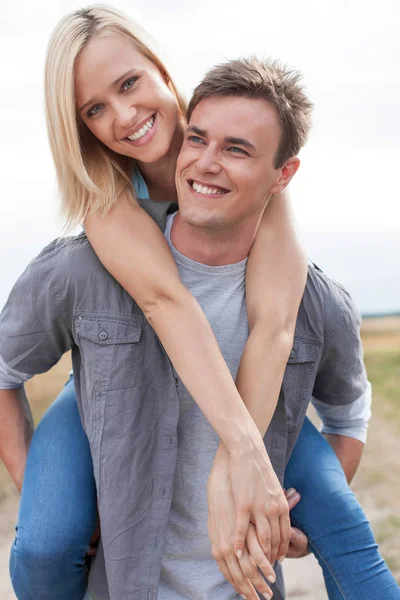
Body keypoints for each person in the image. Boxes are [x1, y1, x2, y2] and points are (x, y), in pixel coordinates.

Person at [1, 32, 399, 600]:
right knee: (49, 539)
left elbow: (277, 326)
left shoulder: (241, 140)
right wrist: (50, 491)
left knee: (342, 524)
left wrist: (245, 466)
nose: (124, 116)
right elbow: (168, 305)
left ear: (162, 71)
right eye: (94, 109)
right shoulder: (104, 193)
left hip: (249, 370)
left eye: (129, 84)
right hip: (126, 371)